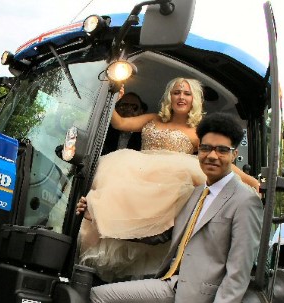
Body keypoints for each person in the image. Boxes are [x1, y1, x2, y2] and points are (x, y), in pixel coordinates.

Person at [88, 112, 263, 303]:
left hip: (190, 298)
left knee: (100, 300)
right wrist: (101, 220)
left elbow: (238, 273)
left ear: (233, 154)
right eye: (205, 148)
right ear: (198, 150)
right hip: (177, 292)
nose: (212, 156)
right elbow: (163, 236)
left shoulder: (244, 201)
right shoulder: (195, 193)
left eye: (221, 150)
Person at [77, 77, 260, 281]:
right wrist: (112, 98)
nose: (181, 97)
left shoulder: (198, 132)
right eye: (176, 92)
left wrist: (250, 180)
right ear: (169, 97)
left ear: (195, 100)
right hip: (135, 174)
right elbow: (120, 123)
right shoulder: (153, 118)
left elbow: (221, 157)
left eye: (187, 93)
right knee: (107, 185)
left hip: (167, 185)